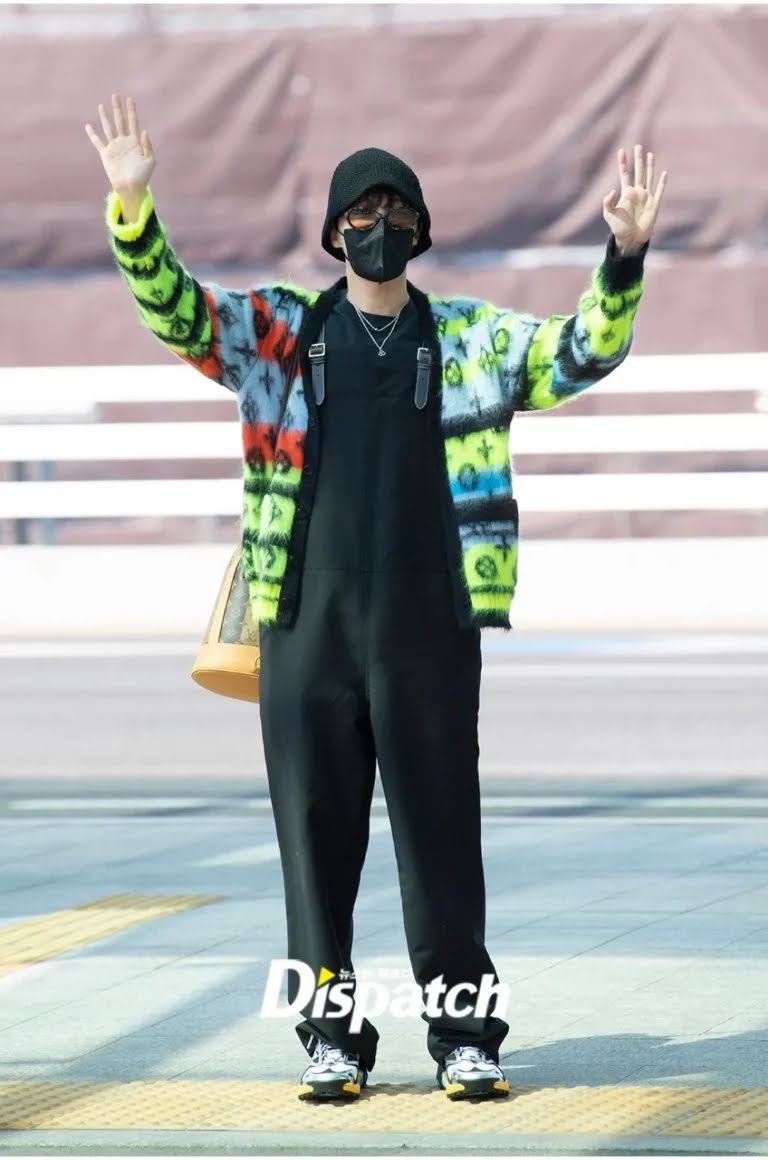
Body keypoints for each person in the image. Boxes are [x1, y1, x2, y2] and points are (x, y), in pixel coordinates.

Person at [86, 93, 667, 1102]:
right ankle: (332, 1039)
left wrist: (623, 257)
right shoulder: (278, 331)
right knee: (313, 840)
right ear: (334, 230)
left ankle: (465, 1035)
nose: (380, 224)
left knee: (441, 834)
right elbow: (175, 309)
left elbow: (582, 352)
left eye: (397, 209)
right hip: (303, 625)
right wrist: (133, 207)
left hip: (429, 627)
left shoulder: (471, 339)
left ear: (421, 230)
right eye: (363, 210)